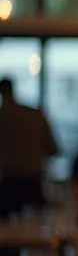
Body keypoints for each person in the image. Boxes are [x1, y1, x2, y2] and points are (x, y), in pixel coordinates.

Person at [0, 77, 59, 218]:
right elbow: (53, 149)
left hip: (9, 181)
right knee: (37, 226)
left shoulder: (2, 117)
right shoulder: (34, 115)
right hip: (34, 180)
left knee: (7, 230)